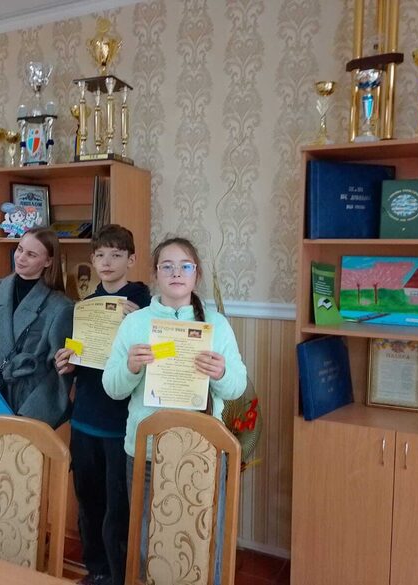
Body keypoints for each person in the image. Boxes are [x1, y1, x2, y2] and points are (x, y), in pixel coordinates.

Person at [102, 236, 247, 584]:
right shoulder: (136, 324)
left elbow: (237, 387)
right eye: (167, 266)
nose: (176, 273)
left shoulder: (217, 324)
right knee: (147, 541)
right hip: (147, 453)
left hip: (203, 453)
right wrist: (131, 368)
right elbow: (112, 388)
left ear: (196, 274)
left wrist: (221, 373)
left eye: (185, 266)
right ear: (155, 274)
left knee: (205, 541)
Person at [55, 225, 151, 585]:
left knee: (119, 506)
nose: (107, 262)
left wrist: (138, 323)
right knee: (88, 499)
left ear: (131, 259)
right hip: (85, 418)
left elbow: (156, 361)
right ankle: (95, 569)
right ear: (92, 260)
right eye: (99, 255)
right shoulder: (86, 307)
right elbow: (79, 357)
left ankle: (119, 574)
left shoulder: (145, 306)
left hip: (120, 424)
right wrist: (67, 361)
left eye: (116, 254)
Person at [0, 227, 74, 428]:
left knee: (24, 448)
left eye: (31, 254)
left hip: (32, 403)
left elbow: (60, 370)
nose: (21, 258)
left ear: (48, 261)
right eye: (20, 249)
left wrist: (31, 415)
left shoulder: (60, 306)